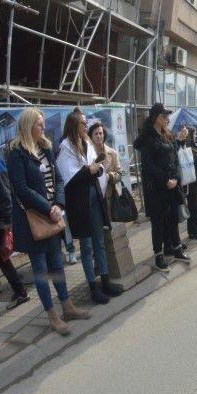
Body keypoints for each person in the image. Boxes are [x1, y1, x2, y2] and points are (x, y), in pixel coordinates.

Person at [7, 108, 91, 335]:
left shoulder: (46, 147)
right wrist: (48, 208)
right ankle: (52, 315)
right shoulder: (16, 152)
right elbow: (21, 188)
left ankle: (67, 306)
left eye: (43, 124)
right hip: (35, 221)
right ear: (28, 126)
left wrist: (60, 205)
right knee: (42, 270)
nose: (43, 128)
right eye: (39, 125)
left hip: (53, 216)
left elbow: (59, 179)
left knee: (57, 265)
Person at [56, 109, 119, 304]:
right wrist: (89, 170)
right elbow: (68, 177)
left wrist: (96, 169)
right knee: (87, 244)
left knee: (99, 240)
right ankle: (93, 287)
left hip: (94, 197)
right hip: (80, 203)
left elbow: (95, 166)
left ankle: (106, 281)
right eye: (83, 123)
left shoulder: (87, 143)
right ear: (75, 125)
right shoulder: (65, 147)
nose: (86, 126)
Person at [133, 103, 189, 272]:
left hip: (171, 184)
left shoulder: (167, 134)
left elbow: (172, 157)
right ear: (156, 117)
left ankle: (176, 248)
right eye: (164, 116)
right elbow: (149, 165)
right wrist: (166, 180)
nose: (167, 119)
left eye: (167, 116)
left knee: (172, 218)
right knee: (158, 222)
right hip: (157, 187)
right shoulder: (148, 138)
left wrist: (175, 178)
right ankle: (158, 256)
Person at [0, 151, 30, 309]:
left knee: (2, 259)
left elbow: (5, 194)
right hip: (0, 221)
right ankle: (21, 291)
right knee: (2, 260)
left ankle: (21, 291)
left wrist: (6, 223)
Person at [176, 126, 197, 240]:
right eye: (194, 134)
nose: (196, 136)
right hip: (189, 181)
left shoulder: (193, 146)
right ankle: (192, 231)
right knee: (192, 206)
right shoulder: (186, 147)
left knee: (195, 205)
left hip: (195, 179)